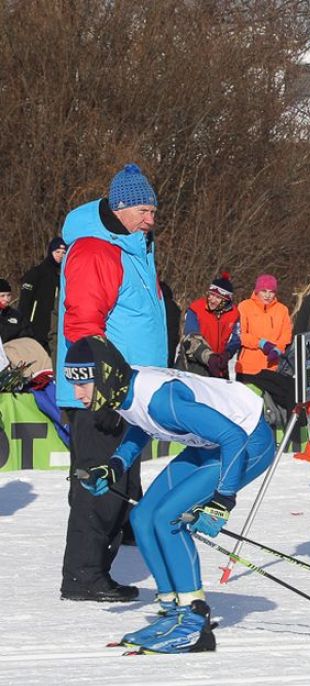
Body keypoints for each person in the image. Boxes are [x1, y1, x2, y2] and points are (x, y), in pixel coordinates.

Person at [66, 335, 274, 653]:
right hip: (210, 443)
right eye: (72, 382)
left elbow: (232, 437)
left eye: (83, 383)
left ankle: (193, 619)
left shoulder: (163, 400)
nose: (77, 393)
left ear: (105, 376)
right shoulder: (123, 389)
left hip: (247, 441)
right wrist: (115, 467)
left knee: (167, 518)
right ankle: (173, 610)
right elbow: (141, 423)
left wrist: (223, 500)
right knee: (143, 516)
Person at [57, 162, 167, 602]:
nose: (151, 218)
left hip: (129, 392)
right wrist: (100, 385)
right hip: (100, 393)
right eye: (143, 209)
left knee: (121, 483)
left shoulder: (134, 250)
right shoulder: (96, 251)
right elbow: (82, 325)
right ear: (120, 209)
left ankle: (96, 562)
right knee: (99, 485)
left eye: (153, 210)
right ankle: (83, 575)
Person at [236, 273, 294, 412]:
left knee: (291, 394)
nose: (268, 295)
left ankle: (293, 429)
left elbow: (286, 335)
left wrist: (277, 349)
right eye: (264, 291)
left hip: (274, 367)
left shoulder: (282, 309)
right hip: (249, 368)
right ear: (257, 291)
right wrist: (261, 343)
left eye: (271, 292)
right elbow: (240, 335)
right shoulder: (244, 307)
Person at [179, 272, 240, 378]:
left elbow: (235, 338)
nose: (212, 299)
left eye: (218, 297)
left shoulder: (234, 314)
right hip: (193, 364)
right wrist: (209, 357)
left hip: (219, 366)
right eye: (211, 295)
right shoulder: (196, 309)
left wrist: (227, 354)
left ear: (227, 300)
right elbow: (191, 337)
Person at [18, 236, 66, 353]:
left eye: (64, 252)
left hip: (52, 329)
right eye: (57, 252)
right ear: (51, 252)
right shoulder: (36, 273)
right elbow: (24, 301)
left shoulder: (60, 277)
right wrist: (25, 326)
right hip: (34, 329)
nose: (60, 255)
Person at [0, 278, 52, 377]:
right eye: (2, 296)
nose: (6, 299)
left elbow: (27, 332)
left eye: (8, 295)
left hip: (19, 348)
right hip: (5, 351)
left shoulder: (15, 314)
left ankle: (43, 373)